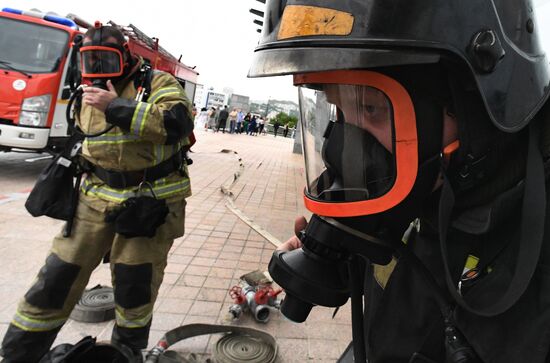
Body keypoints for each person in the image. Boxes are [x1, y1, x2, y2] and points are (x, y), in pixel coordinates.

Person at [249, 1, 550, 363]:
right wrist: (351, 256)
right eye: (338, 111)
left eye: (371, 108)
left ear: (472, 104)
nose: (342, 149)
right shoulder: (435, 191)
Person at [0, 23, 194, 362]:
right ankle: (19, 352)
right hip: (94, 198)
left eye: (106, 60)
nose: (99, 70)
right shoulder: (84, 92)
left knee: (136, 282)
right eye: (92, 61)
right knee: (58, 276)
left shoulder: (157, 83)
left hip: (149, 203)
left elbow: (177, 123)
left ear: (126, 57)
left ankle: (127, 351)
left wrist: (116, 106)